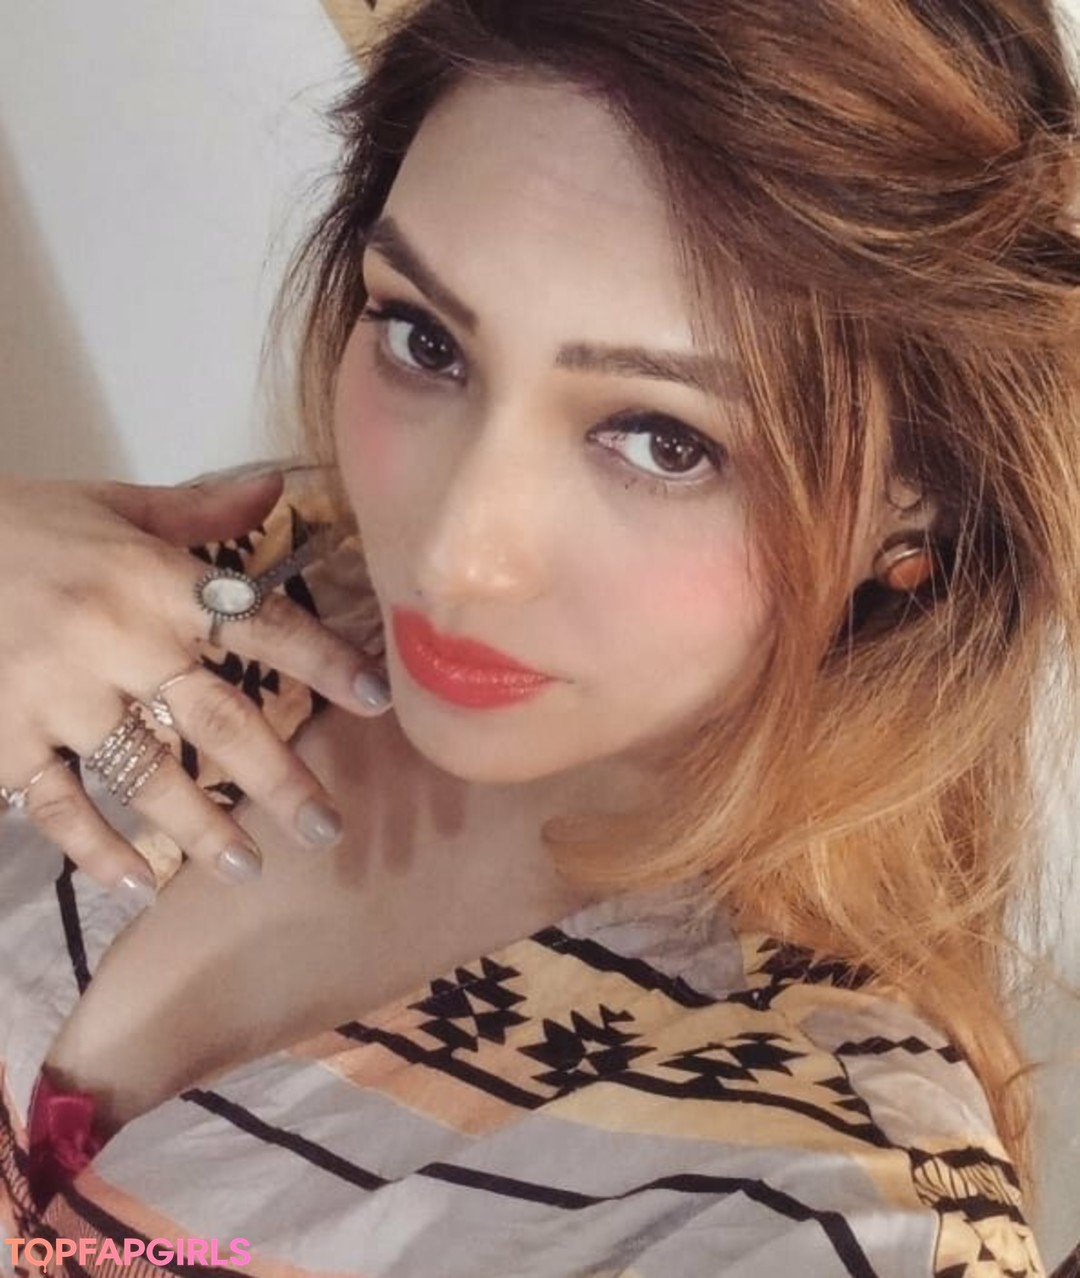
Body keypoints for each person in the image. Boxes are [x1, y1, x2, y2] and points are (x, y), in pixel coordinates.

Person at [1, 0, 1078, 1273]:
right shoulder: (194, 592)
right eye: (426, 340)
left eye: (665, 441)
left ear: (923, 500)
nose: (456, 554)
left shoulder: (819, 1203)